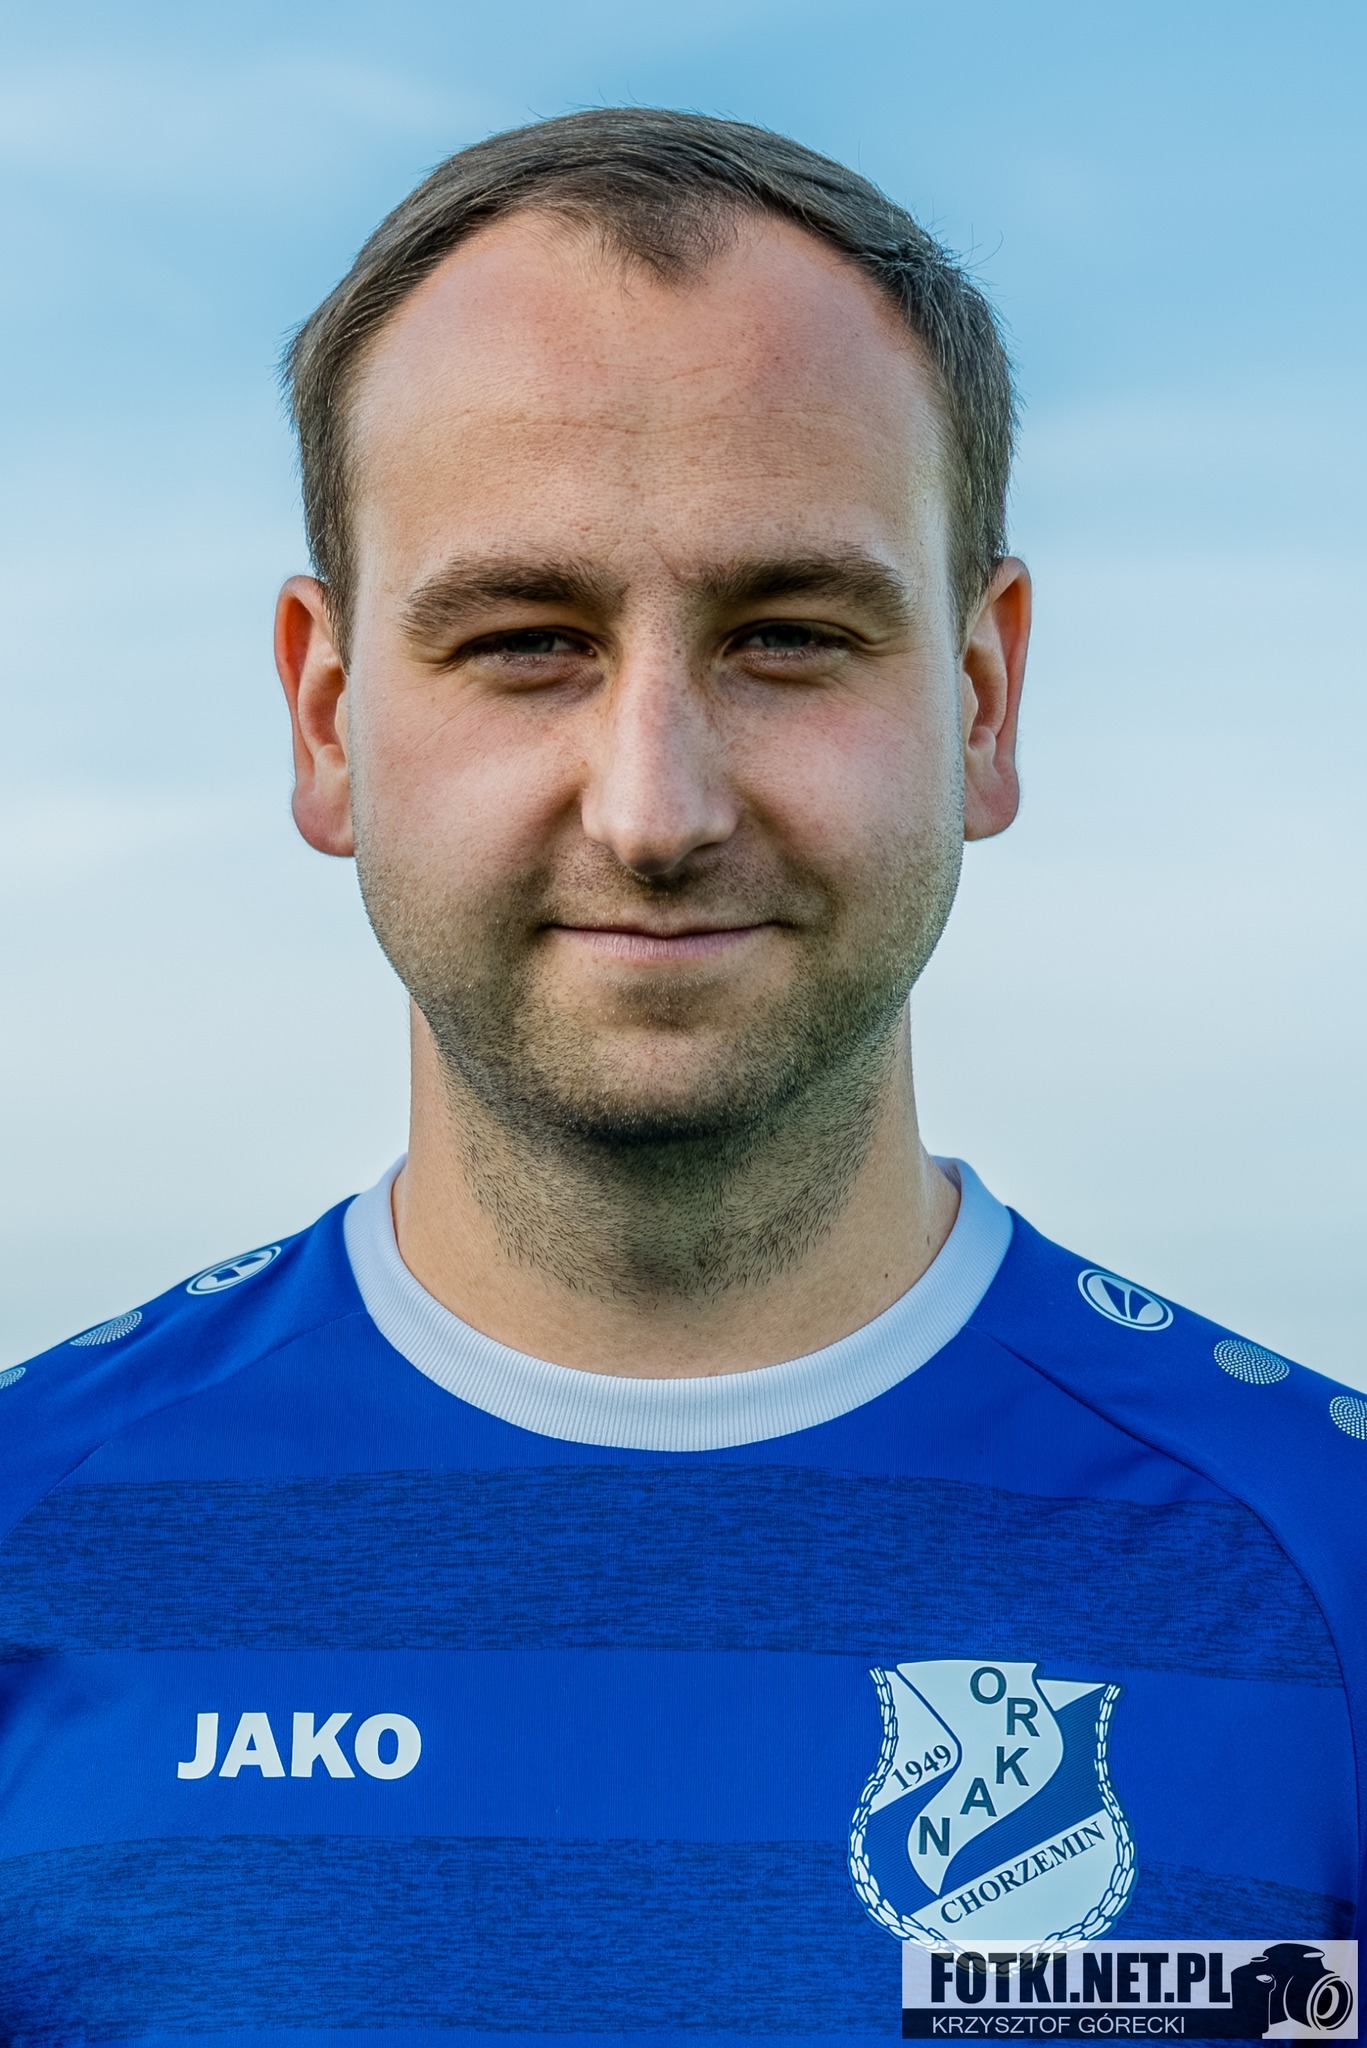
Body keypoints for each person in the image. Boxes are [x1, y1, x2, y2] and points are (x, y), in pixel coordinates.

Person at [0, 108, 1362, 2048]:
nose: (656, 810)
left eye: (789, 636)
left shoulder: (1332, 1565)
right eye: (525, 642)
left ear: (983, 700)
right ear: (327, 719)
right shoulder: (28, 1535)